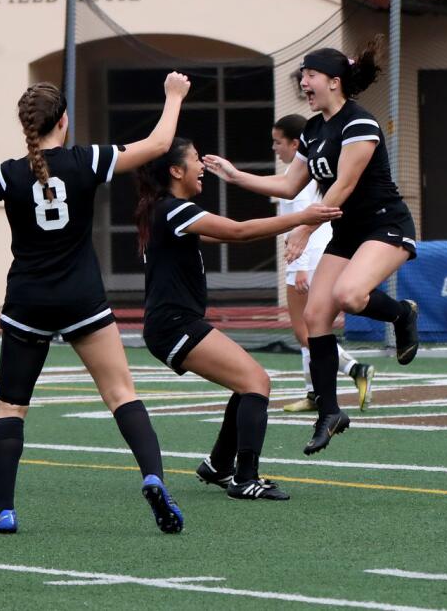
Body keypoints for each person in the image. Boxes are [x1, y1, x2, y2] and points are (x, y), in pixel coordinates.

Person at [0, 73, 191, 534]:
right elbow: (158, 143)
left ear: (26, 124)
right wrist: (173, 97)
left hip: (27, 300)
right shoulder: (86, 159)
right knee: (121, 394)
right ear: (64, 120)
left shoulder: (5, 173)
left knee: (11, 407)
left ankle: (4, 511)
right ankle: (152, 476)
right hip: (82, 297)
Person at [204, 42, 418, 456]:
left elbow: (344, 186)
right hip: (347, 231)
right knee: (315, 319)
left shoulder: (360, 123)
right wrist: (235, 176)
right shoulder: (313, 129)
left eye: (310, 75)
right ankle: (330, 412)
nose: (303, 82)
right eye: (302, 76)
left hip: (384, 225)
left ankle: (402, 312)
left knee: (350, 296)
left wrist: (303, 229)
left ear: (334, 82)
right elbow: (288, 185)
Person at [135, 137, 341, 500]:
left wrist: (292, 225)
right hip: (174, 325)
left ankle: (218, 466)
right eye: (196, 159)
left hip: (172, 324)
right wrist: (302, 218)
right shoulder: (174, 209)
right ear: (175, 170)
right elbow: (239, 231)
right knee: (256, 382)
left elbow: (231, 234)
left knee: (246, 382)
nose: (202, 167)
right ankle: (245, 479)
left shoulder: (167, 210)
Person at [268, 114, 374, 413]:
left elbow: (312, 221)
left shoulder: (302, 177)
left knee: (308, 332)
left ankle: (354, 369)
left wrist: (303, 265)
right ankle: (314, 392)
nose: (275, 148)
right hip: (308, 259)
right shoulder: (298, 173)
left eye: (278, 142)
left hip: (309, 260)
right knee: (306, 333)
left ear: (294, 142)